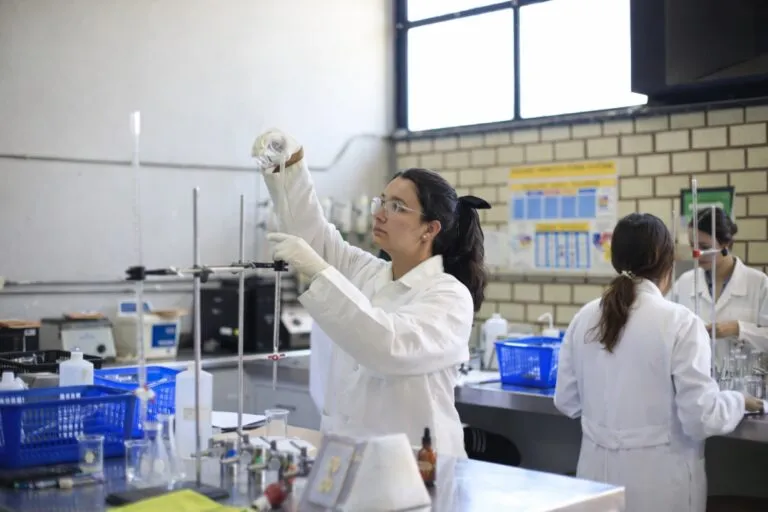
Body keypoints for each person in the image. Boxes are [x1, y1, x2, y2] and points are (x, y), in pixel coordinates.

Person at [251, 129, 490, 457]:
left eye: (398, 207)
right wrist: (289, 168)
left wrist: (321, 272)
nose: (380, 213)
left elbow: (389, 346)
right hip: (347, 457)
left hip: (416, 466)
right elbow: (312, 236)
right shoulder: (368, 271)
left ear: (430, 229)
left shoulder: (449, 296)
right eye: (382, 201)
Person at [554, 212, 763, 512]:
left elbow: (566, 401)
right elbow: (701, 417)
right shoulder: (680, 323)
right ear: (667, 261)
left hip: (596, 479)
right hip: (659, 485)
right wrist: (738, 401)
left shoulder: (585, 316)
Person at [672, 207, 768, 371]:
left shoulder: (758, 284)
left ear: (725, 244)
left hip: (744, 386)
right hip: (698, 387)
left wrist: (738, 329)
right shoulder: (685, 283)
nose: (697, 254)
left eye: (704, 246)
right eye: (692, 246)